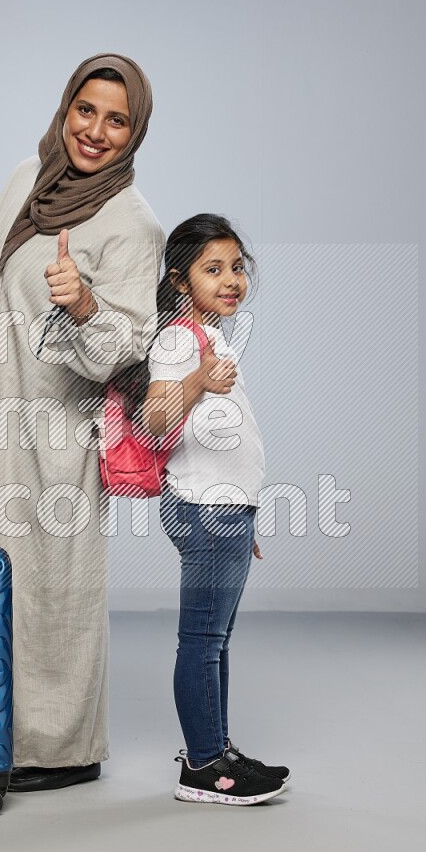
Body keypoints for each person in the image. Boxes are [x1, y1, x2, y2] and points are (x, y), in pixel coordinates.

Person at [0, 53, 165, 792]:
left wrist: (84, 304)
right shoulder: (26, 180)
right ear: (66, 107)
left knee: (50, 592)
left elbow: (130, 347)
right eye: (85, 110)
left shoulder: (132, 222)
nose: (94, 132)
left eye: (116, 120)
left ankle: (63, 751)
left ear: (134, 133)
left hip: (59, 435)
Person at [113, 214, 290, 804]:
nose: (231, 279)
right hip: (205, 512)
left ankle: (217, 749)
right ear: (180, 282)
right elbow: (155, 420)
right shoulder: (179, 341)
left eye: (237, 267)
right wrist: (198, 381)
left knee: (215, 640)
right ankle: (203, 767)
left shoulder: (207, 336)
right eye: (212, 269)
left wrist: (245, 513)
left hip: (225, 513)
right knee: (202, 639)